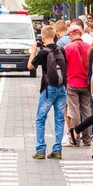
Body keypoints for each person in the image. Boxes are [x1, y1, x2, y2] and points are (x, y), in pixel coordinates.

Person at [28, 26, 67, 160]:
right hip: (62, 88)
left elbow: (30, 66)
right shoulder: (61, 49)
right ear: (55, 36)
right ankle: (57, 149)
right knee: (59, 119)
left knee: (40, 119)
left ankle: (40, 150)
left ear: (43, 37)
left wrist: (33, 51)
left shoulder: (43, 52)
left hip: (48, 88)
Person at [63, 24, 92, 147]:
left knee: (74, 111)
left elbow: (64, 66)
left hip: (72, 83)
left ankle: (74, 138)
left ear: (71, 34)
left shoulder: (67, 47)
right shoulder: (89, 47)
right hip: (86, 83)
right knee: (86, 111)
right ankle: (87, 139)